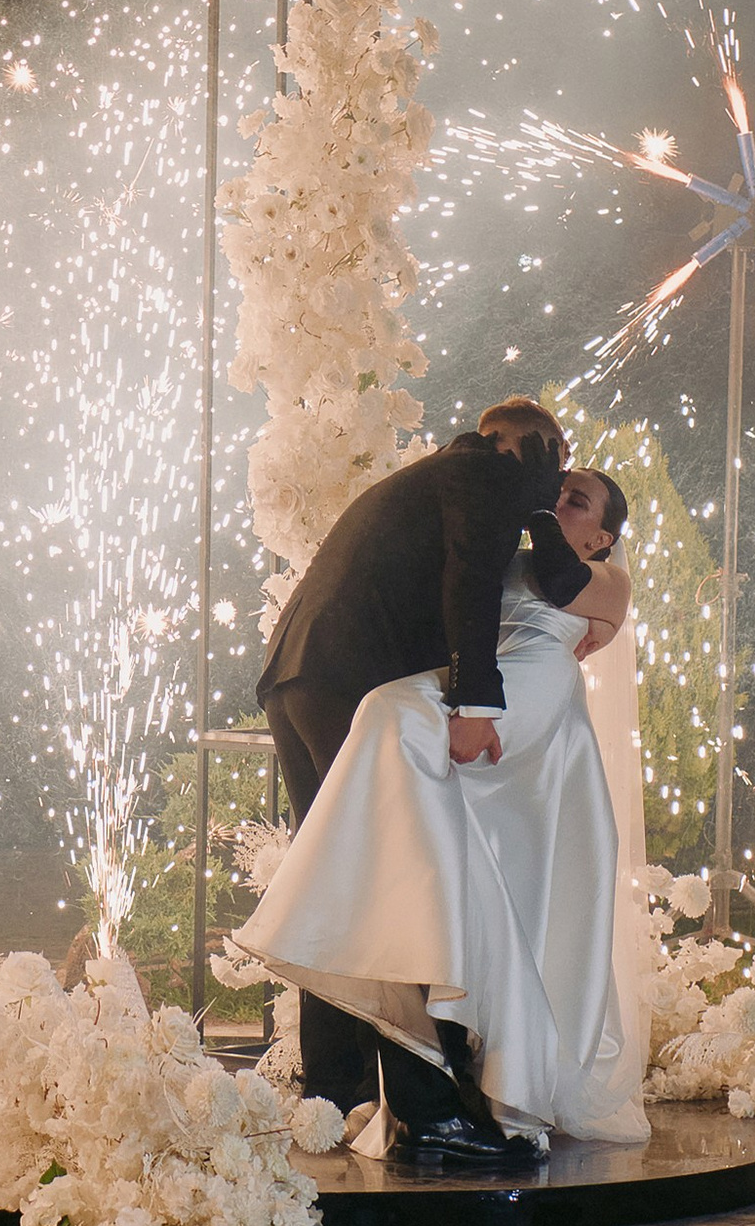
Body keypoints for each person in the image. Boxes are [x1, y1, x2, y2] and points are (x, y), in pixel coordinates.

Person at [239, 459, 651, 1159]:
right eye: (556, 490)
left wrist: (536, 509)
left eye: (577, 500)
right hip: (476, 687)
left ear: (603, 539)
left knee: (390, 712)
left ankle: (424, 1079)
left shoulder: (603, 578)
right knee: (443, 859)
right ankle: (419, 1064)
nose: (558, 499)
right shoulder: (507, 553)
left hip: (531, 691)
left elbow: (560, 583)